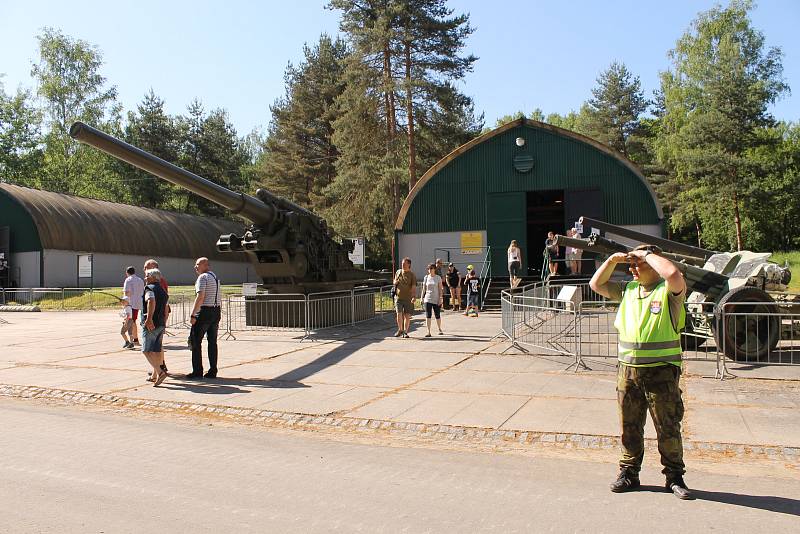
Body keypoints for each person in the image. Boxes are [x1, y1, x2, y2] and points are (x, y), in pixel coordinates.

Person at [589, 244, 692, 500]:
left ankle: (674, 476)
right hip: (628, 371)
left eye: (639, 265)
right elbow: (596, 284)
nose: (633, 269)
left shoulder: (667, 291)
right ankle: (629, 472)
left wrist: (647, 255)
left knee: (667, 427)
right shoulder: (628, 290)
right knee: (629, 427)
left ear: (654, 263)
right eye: (631, 265)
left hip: (661, 372)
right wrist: (613, 261)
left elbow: (674, 275)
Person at [187, 257, 222, 379]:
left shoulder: (202, 278)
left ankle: (197, 370)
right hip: (215, 311)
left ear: (205, 265)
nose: (195, 267)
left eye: (197, 264)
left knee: (196, 342)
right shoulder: (214, 277)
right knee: (212, 342)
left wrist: (193, 314)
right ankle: (213, 369)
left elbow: (200, 297)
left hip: (205, 312)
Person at [141, 268, 169, 387]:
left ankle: (160, 372)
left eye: (147, 276)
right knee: (157, 350)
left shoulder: (149, 288)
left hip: (151, 323)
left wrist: (149, 319)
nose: (145, 278)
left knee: (146, 350)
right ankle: (155, 374)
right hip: (161, 323)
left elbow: (151, 301)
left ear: (153, 277)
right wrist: (164, 322)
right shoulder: (163, 290)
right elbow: (167, 308)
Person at [392, 257, 417, 338]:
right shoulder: (398, 272)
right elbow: (394, 281)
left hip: (408, 299)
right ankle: (400, 330)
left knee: (407, 316)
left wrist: (413, 297)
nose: (402, 265)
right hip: (398, 298)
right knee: (398, 314)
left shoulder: (412, 275)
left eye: (404, 263)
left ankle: (405, 332)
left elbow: (413, 287)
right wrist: (395, 282)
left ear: (409, 264)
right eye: (402, 263)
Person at [123, 266, 145, 346]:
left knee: (131, 322)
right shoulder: (140, 280)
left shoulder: (128, 280)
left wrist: (124, 302)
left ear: (127, 272)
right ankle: (134, 340)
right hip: (138, 303)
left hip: (130, 304)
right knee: (133, 321)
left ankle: (134, 340)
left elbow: (127, 293)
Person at [421, 263, 444, 337]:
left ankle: (439, 328)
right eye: (428, 269)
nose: (429, 270)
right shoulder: (426, 277)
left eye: (431, 268)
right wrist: (422, 298)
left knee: (437, 315)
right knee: (428, 315)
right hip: (428, 299)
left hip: (436, 299)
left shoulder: (438, 278)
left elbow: (440, 289)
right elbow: (424, 289)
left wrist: (440, 298)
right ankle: (428, 331)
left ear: (434, 269)